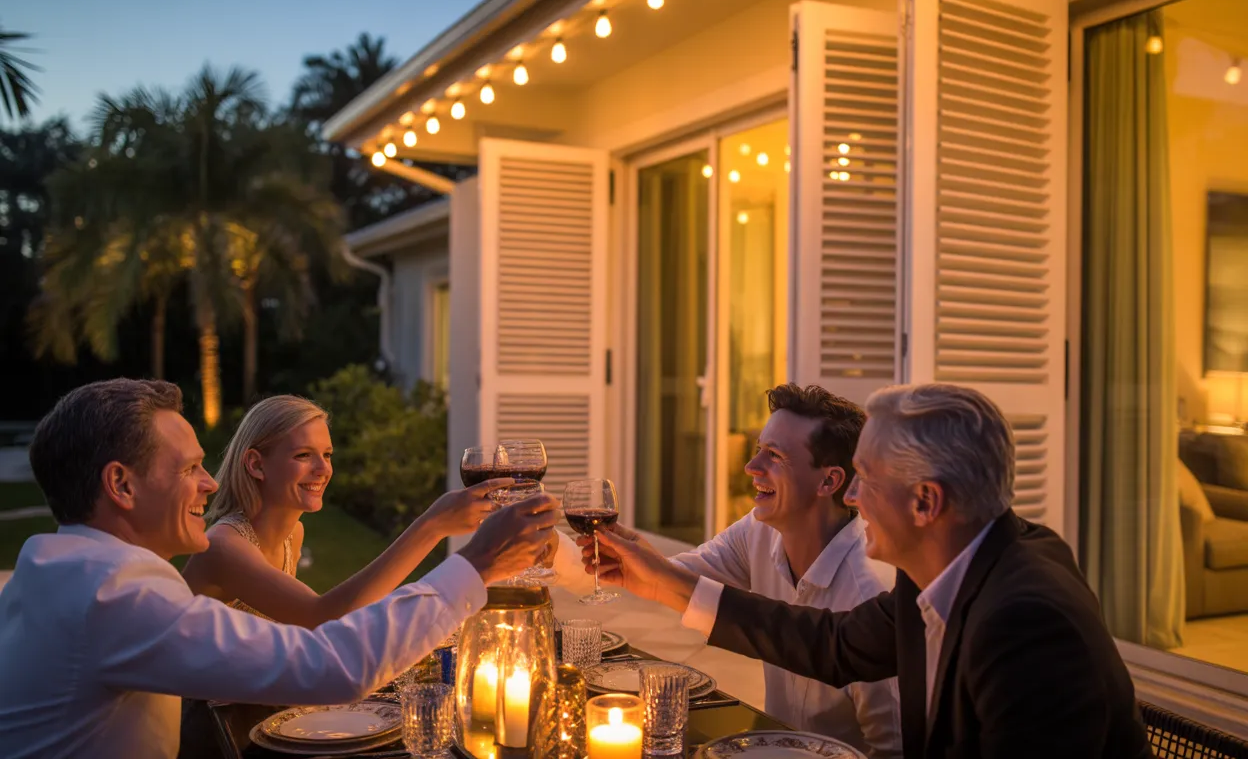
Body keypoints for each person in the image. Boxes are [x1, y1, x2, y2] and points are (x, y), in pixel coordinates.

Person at [583, 383, 1152, 759]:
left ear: (925, 503)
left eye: (865, 478)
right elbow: (833, 646)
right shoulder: (941, 569)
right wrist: (658, 581)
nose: (851, 495)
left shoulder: (1026, 623)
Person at [0, 379, 557, 759]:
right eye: (190, 468)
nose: (210, 483)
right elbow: (329, 664)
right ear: (121, 485)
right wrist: (475, 565)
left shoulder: (57, 568)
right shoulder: (114, 594)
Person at [570, 384, 900, 757]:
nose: (751, 467)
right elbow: (684, 579)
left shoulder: (867, 590)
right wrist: (619, 559)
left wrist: (656, 575)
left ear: (829, 481)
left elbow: (894, 749)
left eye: (774, 455)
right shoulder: (758, 530)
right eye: (759, 449)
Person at [182, 394, 505, 625]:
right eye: (303, 456)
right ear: (256, 464)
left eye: (328, 454)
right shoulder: (224, 546)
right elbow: (322, 617)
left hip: (253, 704)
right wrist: (431, 526)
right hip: (211, 717)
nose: (323, 469)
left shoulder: (292, 534)